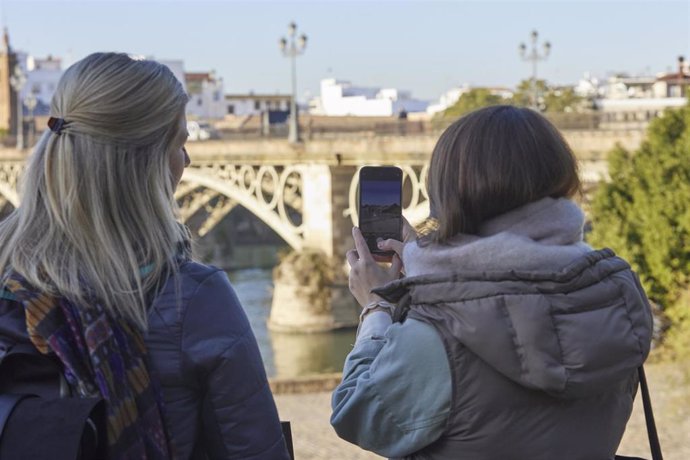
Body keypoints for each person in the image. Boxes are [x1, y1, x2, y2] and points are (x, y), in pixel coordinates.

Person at [0, 53, 290, 459]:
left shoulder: (7, 277)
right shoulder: (194, 299)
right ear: (144, 163)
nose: (187, 161)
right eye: (180, 143)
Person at [331, 105, 653, 459]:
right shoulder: (617, 292)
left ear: (448, 191)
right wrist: (428, 270)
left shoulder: (438, 334)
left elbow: (356, 413)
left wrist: (377, 306)